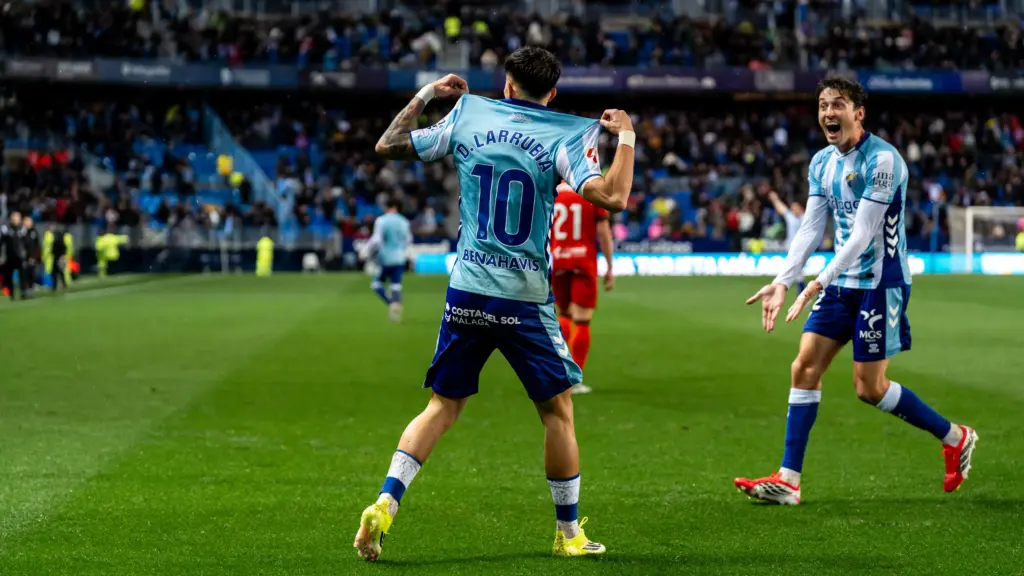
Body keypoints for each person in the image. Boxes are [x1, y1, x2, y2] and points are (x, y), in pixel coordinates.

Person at [353, 46, 635, 561]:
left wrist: (427, 94)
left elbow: (388, 143)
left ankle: (386, 503)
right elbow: (613, 198)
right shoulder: (568, 132)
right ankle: (568, 533)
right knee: (557, 412)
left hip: (466, 290)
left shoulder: (467, 112)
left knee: (441, 406)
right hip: (524, 297)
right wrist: (628, 138)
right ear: (552, 93)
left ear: (506, 84)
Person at [736, 75, 978, 505]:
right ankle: (789, 481)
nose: (830, 112)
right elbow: (811, 228)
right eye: (823, 104)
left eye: (839, 104)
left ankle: (956, 436)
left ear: (858, 112)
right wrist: (782, 280)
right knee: (803, 367)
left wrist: (815, 283)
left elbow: (864, 232)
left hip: (881, 282)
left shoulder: (883, 160)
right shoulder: (821, 163)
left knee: (869, 388)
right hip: (842, 281)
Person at [550, 181, 615, 394]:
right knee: (582, 319)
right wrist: (609, 266)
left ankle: (556, 371)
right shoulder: (590, 192)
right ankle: (573, 379)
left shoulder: (553, 192)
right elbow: (603, 231)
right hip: (583, 261)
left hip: (558, 260)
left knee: (564, 314)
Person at [364, 198, 413, 322]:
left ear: (387, 207)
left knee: (376, 284)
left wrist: (366, 250)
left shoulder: (382, 220)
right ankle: (395, 315)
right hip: (400, 257)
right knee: (396, 285)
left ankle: (392, 303)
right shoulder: (404, 221)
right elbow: (408, 240)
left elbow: (377, 239)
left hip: (386, 258)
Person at [767, 190, 807, 293]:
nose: (793, 210)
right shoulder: (791, 217)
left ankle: (800, 291)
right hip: (790, 247)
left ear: (801, 208)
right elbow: (782, 208)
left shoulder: (806, 218)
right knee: (795, 270)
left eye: (795, 207)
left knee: (796, 270)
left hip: (801, 248)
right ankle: (800, 290)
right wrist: (775, 199)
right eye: (792, 208)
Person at [0, 211, 27, 300]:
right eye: (14, 217)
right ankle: (11, 293)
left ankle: (24, 292)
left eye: (17, 217)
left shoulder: (23, 228)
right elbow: (1, 242)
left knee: (23, 274)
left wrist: (27, 254)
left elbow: (27, 242)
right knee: (8, 275)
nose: (15, 219)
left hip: (20, 255)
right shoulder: (6, 228)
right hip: (9, 255)